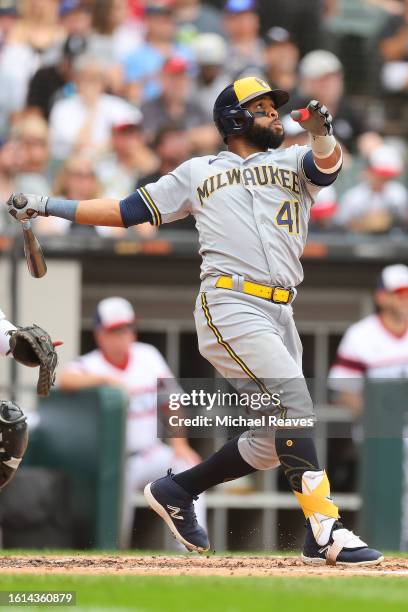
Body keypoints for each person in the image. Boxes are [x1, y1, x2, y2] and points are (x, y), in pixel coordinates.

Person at [6, 75, 383, 565]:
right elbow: (125, 210)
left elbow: (328, 167)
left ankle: (178, 489)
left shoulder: (293, 160)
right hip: (230, 301)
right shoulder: (199, 171)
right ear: (234, 118)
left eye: (274, 106)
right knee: (294, 402)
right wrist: (48, 204)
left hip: (280, 309)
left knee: (273, 440)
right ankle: (325, 528)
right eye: (262, 107)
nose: (273, 113)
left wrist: (320, 132)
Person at [58, 297, 205, 548]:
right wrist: (103, 380)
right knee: (115, 526)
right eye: (115, 330)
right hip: (116, 462)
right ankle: (115, 558)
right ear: (100, 333)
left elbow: (170, 401)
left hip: (152, 452)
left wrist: (180, 445)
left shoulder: (147, 355)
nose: (123, 335)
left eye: (127, 328)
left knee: (188, 470)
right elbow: (64, 380)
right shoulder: (89, 364)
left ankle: (190, 549)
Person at [328, 264, 408, 549]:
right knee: (390, 494)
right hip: (380, 432)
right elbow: (342, 390)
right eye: (399, 293)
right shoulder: (362, 334)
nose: (404, 299)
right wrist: (379, 414)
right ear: (382, 296)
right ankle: (391, 549)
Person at [336, 144, 408, 233]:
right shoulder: (354, 196)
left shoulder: (398, 193)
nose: (383, 180)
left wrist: (390, 221)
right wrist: (363, 224)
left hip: (393, 242)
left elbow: (404, 220)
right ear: (369, 172)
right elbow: (340, 223)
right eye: (380, 176)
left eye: (387, 177)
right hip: (359, 243)